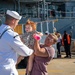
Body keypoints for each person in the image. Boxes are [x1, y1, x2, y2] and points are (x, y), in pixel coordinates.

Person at [0, 10, 34, 75]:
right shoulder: (12, 35)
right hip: (7, 70)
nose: (17, 24)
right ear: (13, 21)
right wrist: (32, 51)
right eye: (17, 22)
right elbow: (24, 52)